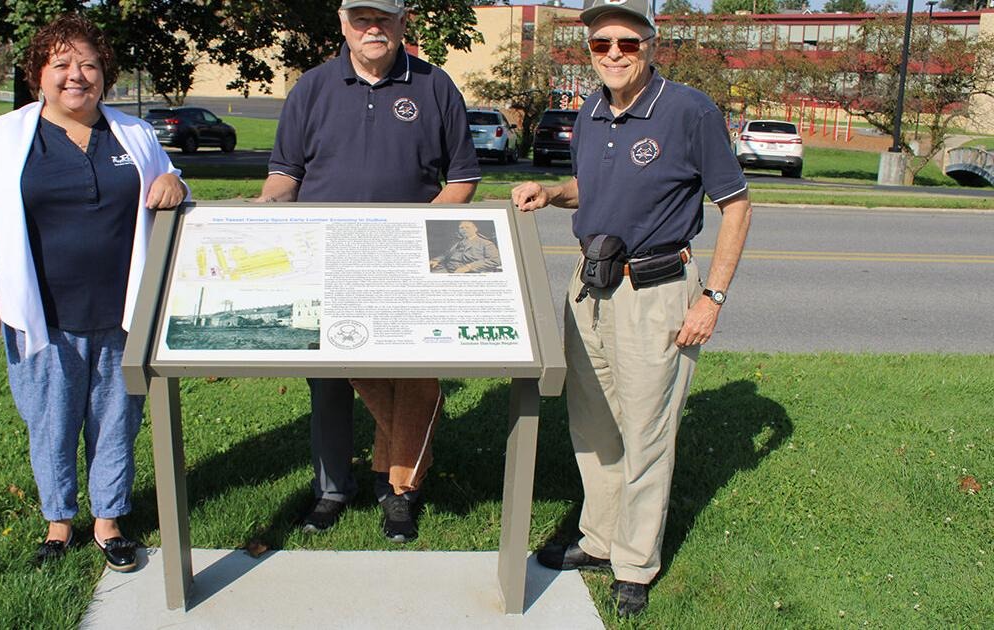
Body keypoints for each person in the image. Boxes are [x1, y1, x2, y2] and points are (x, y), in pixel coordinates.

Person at [511, 0, 752, 617]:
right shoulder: (589, 111)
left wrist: (712, 298)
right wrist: (553, 192)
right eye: (601, 45)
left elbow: (737, 205)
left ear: (651, 44)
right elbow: (591, 186)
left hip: (656, 289)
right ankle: (599, 539)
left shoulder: (689, 110)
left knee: (646, 432)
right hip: (590, 286)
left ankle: (635, 564)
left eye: (627, 43)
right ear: (588, 49)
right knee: (592, 425)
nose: (614, 54)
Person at [0, 13, 187, 572]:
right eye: (62, 64)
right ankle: (58, 523)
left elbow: (170, 183)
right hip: (42, 313)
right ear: (39, 75)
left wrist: (175, 180)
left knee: (117, 418)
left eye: (89, 64)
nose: (76, 75)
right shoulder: (2, 138)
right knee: (51, 421)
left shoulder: (134, 133)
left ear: (105, 74)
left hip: (123, 311)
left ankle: (108, 521)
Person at [258, 0, 481, 542]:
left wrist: (416, 243)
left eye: (383, 18)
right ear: (343, 24)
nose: (372, 28)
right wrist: (262, 218)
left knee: (411, 379)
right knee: (331, 382)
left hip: (406, 269)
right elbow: (284, 176)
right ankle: (333, 488)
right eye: (361, 19)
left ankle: (398, 490)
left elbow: (462, 179)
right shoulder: (312, 88)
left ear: (403, 23)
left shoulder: (435, 87)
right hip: (327, 264)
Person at [430, 220, 501, 273]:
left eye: (467, 227)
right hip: (445, 269)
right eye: (461, 228)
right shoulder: (456, 242)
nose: (464, 230)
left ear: (475, 229)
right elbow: (446, 254)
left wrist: (468, 267)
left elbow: (494, 260)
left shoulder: (486, 243)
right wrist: (436, 260)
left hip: (469, 272)